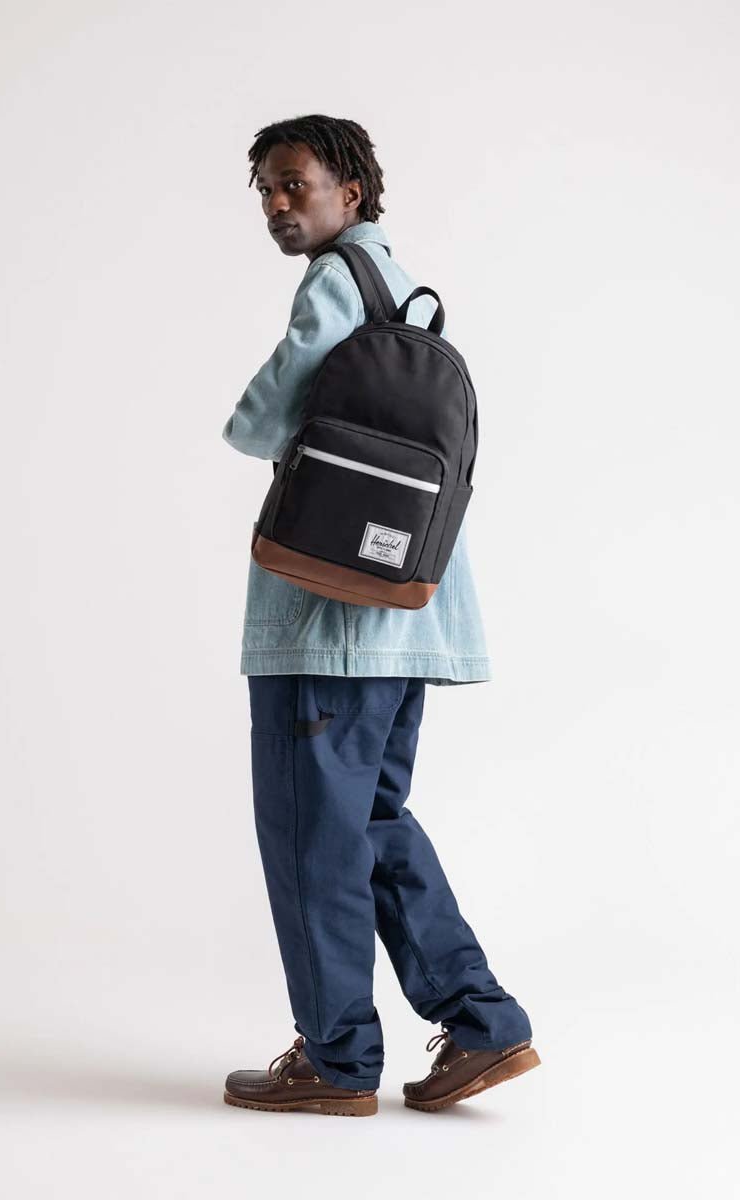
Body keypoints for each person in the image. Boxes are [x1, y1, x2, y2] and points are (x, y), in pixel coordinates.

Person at [220, 114, 538, 1116]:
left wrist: (248, 423)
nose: (278, 204)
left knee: (313, 835)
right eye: (265, 189)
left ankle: (337, 1059)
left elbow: (261, 423)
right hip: (408, 611)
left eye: (295, 183)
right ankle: (482, 1023)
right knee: (372, 822)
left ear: (350, 191)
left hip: (327, 624)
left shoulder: (334, 282)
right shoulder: (407, 291)